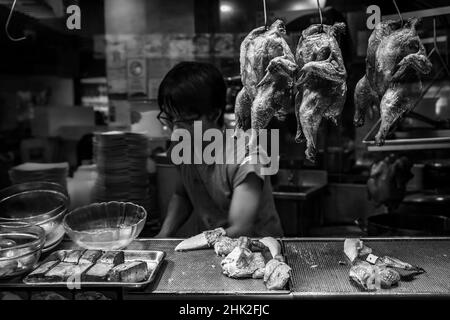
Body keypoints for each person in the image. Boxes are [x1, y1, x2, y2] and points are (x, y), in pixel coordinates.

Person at [155, 61, 283, 238]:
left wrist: (191, 244)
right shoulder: (182, 148)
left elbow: (240, 229)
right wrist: (162, 237)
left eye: (187, 122)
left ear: (214, 114)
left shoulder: (246, 156)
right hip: (211, 251)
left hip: (259, 252)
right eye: (170, 119)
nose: (176, 132)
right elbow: (182, 194)